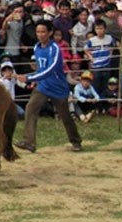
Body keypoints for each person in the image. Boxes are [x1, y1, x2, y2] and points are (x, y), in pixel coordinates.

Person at [14, 20, 83, 153]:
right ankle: (29, 141)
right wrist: (31, 76)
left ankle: (75, 140)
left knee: (65, 115)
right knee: (31, 108)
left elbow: (50, 69)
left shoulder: (54, 49)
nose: (40, 34)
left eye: (43, 32)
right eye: (38, 32)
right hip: (43, 86)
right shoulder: (37, 47)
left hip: (58, 87)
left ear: (50, 32)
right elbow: (40, 69)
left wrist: (29, 78)